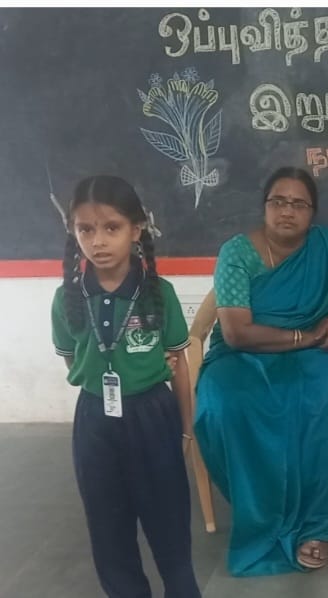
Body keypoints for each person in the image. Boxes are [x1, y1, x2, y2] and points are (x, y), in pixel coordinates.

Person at [194, 167, 328, 576]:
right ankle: (260, 516)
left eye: (298, 204)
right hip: (242, 357)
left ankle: (318, 524)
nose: (287, 211)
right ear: (264, 207)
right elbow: (237, 333)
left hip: (311, 355)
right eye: (278, 201)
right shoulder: (237, 253)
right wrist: (305, 337)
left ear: (312, 213)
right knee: (226, 402)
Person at [51, 175, 201, 598]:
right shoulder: (66, 298)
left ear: (136, 230)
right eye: (86, 229)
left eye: (111, 227)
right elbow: (72, 359)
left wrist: (186, 430)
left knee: (168, 523)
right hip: (94, 419)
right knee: (107, 528)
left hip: (152, 414)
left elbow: (180, 366)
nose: (97, 241)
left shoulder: (159, 294)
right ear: (74, 232)